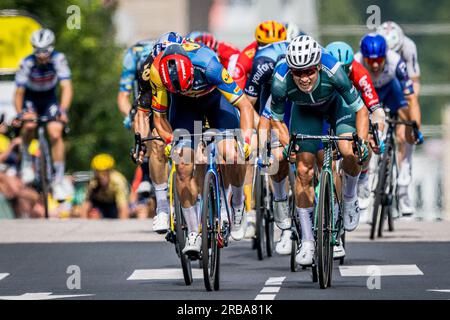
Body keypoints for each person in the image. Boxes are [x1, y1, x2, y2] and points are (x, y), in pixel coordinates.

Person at [133, 42, 254, 255]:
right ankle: (193, 231)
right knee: (182, 165)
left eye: (187, 84)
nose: (187, 89)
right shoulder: (157, 73)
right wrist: (172, 142)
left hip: (215, 100)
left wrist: (244, 141)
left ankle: (237, 204)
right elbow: (159, 119)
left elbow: (244, 105)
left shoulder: (209, 66)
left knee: (232, 154)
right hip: (183, 107)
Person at [270, 35, 369, 266]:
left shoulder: (334, 70)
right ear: (291, 70)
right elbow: (275, 119)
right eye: (298, 72)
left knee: (349, 151)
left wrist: (361, 141)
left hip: (337, 107)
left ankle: (349, 197)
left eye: (309, 72)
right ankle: (307, 241)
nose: (304, 78)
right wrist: (288, 145)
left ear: (318, 67)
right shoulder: (280, 79)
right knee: (303, 170)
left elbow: (361, 110)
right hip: (305, 112)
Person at [354, 34, 423, 216]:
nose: (375, 65)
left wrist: (415, 127)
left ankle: (403, 183)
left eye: (379, 60)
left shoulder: (396, 62)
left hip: (389, 90)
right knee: (368, 134)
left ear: (386, 56)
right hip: (367, 92)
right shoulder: (356, 61)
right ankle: (365, 176)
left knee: (407, 126)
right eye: (370, 60)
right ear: (363, 57)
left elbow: (411, 98)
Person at [132, 31, 184, 233]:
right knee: (157, 144)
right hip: (160, 107)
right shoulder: (147, 69)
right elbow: (142, 113)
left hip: (186, 101)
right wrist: (141, 143)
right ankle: (162, 207)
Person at [325, 41, 386, 211]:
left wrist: (378, 135)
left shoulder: (360, 73)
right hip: (326, 105)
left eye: (346, 68)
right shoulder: (319, 70)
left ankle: (362, 177)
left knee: (362, 142)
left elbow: (376, 110)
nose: (341, 73)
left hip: (349, 105)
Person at [14, 28, 73, 201]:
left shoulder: (58, 59)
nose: (41, 55)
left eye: (45, 50)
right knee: (30, 124)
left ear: (52, 47)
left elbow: (66, 87)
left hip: (49, 99)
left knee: (55, 132)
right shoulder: (26, 63)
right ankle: (26, 162)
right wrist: (20, 114)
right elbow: (18, 93)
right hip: (30, 98)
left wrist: (63, 111)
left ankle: (59, 179)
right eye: (37, 50)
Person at [377, 21, 422, 215]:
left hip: (402, 86)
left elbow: (414, 84)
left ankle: (403, 185)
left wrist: (410, 120)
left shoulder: (408, 47)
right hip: (380, 86)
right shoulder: (374, 47)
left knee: (405, 134)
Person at [80, 153, 130, 219]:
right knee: (92, 214)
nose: (102, 176)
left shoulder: (118, 181)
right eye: (99, 172)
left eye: (105, 172)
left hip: (114, 204)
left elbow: (123, 208)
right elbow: (86, 205)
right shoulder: (93, 183)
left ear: (111, 171)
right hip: (100, 204)